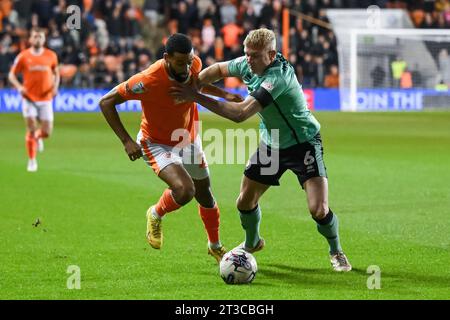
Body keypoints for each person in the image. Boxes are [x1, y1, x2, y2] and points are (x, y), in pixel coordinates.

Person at [170, 28, 352, 272]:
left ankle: (336, 250)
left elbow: (241, 113)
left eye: (255, 56)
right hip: (273, 142)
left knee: (318, 209)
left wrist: (195, 96)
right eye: (247, 54)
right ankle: (252, 242)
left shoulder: (277, 77)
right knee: (245, 201)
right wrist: (196, 83)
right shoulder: (248, 63)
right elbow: (218, 70)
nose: (249, 60)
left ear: (272, 54)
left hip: (304, 143)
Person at [99, 33, 241, 263]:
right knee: (185, 190)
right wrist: (126, 141)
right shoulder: (147, 80)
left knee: (205, 195)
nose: (186, 67)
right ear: (166, 58)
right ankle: (155, 213)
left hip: (186, 139)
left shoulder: (192, 63)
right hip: (155, 142)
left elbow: (198, 84)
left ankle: (214, 246)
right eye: (179, 62)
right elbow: (106, 102)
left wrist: (225, 94)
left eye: (188, 60)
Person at [8, 27, 59, 172]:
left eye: (40, 37)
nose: (38, 39)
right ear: (30, 39)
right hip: (29, 97)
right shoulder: (23, 56)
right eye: (35, 36)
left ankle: (38, 137)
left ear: (44, 39)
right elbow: (12, 75)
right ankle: (32, 160)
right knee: (30, 128)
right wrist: (19, 87)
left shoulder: (51, 55)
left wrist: (55, 87)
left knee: (47, 132)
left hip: (46, 98)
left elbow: (57, 73)